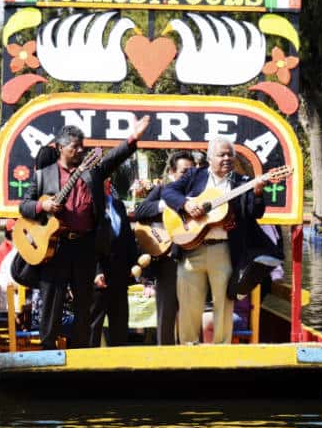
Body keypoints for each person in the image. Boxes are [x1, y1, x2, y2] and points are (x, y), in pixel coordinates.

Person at [19, 115, 151, 350]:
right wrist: (43, 206)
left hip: (86, 247)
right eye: (75, 146)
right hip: (55, 248)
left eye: (83, 146)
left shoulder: (93, 171)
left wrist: (132, 138)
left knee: (85, 304)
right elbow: (25, 206)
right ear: (60, 148)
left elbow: (113, 157)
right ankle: (48, 353)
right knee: (52, 301)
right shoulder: (43, 175)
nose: (80, 150)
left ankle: (79, 353)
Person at [161, 137, 267, 345]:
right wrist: (186, 205)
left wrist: (258, 192)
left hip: (224, 251)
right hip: (192, 249)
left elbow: (255, 213)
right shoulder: (194, 176)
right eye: (222, 154)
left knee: (224, 305)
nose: (227, 158)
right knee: (189, 306)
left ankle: (222, 352)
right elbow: (168, 192)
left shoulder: (242, 183)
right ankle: (187, 352)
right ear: (210, 158)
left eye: (230, 154)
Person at [133, 150, 195, 345]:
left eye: (193, 172)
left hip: (195, 262)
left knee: (192, 318)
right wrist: (166, 204)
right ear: (171, 173)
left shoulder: (200, 195)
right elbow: (140, 212)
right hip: (167, 263)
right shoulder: (162, 191)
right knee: (165, 316)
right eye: (184, 171)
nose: (189, 176)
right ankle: (164, 362)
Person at [90, 180, 138, 347]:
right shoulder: (88, 205)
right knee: (93, 324)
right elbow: (87, 242)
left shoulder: (118, 205)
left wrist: (133, 263)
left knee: (120, 324)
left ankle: (121, 367)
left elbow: (128, 237)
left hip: (120, 273)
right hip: (98, 275)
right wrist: (96, 271)